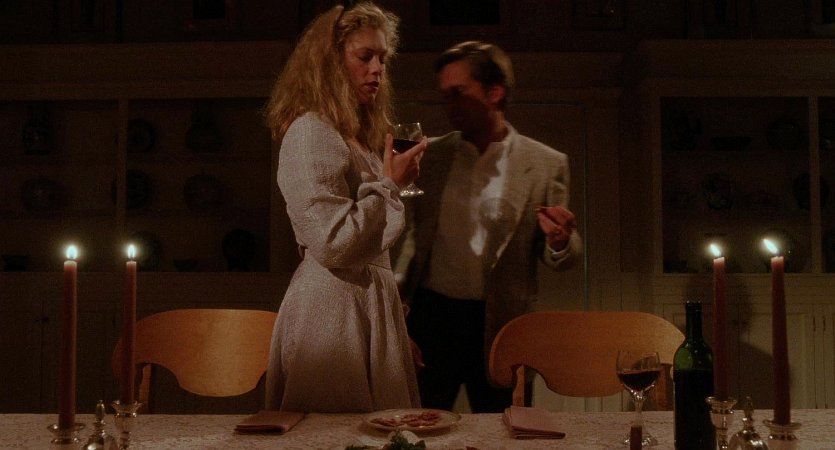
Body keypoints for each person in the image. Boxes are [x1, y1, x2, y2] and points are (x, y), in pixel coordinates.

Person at [394, 40, 582, 413]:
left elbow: (560, 251)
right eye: (444, 96)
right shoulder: (430, 156)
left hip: (502, 322)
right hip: (432, 320)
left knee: (505, 428)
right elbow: (413, 239)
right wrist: (396, 306)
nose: (449, 104)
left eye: (458, 93)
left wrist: (560, 241)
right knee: (420, 429)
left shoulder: (547, 163)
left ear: (494, 93)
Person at [264, 1, 426, 413]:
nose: (377, 70)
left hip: (362, 305)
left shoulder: (354, 137)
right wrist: (390, 185)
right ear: (330, 63)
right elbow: (332, 242)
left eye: (382, 59)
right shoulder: (310, 132)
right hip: (332, 313)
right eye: (364, 56)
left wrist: (393, 324)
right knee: (332, 432)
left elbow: (370, 247)